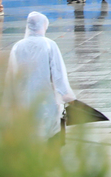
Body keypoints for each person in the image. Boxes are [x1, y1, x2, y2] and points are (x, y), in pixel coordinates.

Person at [6, 12, 74, 140]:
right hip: (47, 99)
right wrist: (67, 95)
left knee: (29, 133)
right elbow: (58, 74)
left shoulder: (17, 47)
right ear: (43, 25)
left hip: (24, 100)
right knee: (50, 132)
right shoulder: (49, 45)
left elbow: (11, 76)